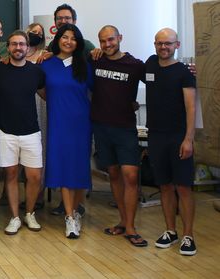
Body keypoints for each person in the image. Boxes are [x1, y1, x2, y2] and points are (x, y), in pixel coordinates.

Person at [88, 25, 148, 247]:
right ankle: (123, 221)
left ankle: (131, 227)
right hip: (101, 127)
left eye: (111, 40)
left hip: (125, 129)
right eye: (103, 41)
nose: (107, 45)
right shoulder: (95, 59)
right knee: (113, 174)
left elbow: (158, 77)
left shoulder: (135, 65)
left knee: (130, 175)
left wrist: (187, 70)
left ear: (120, 38)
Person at [146, 28, 197, 256]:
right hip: (156, 136)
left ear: (177, 45)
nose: (163, 47)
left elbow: (191, 107)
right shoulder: (150, 64)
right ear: (155, 44)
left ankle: (188, 235)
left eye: (168, 44)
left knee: (183, 187)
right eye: (159, 43)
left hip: (178, 137)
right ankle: (171, 231)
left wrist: (188, 139)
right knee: (165, 186)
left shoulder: (184, 73)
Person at [40, 24, 93, 239]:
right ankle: (70, 217)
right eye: (64, 37)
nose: (68, 41)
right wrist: (57, 103)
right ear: (58, 39)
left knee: (79, 166)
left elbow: (95, 92)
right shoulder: (46, 64)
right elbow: (42, 90)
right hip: (58, 122)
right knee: (62, 166)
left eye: (73, 38)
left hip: (81, 123)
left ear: (77, 42)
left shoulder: (85, 65)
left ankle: (76, 209)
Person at [0, 31, 45, 235]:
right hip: (6, 131)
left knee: (34, 176)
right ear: (8, 47)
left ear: (27, 46)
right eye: (14, 44)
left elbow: (44, 93)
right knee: (10, 174)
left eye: (22, 44)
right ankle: (14, 217)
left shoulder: (36, 71)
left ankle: (29, 213)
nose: (18, 48)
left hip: (31, 130)